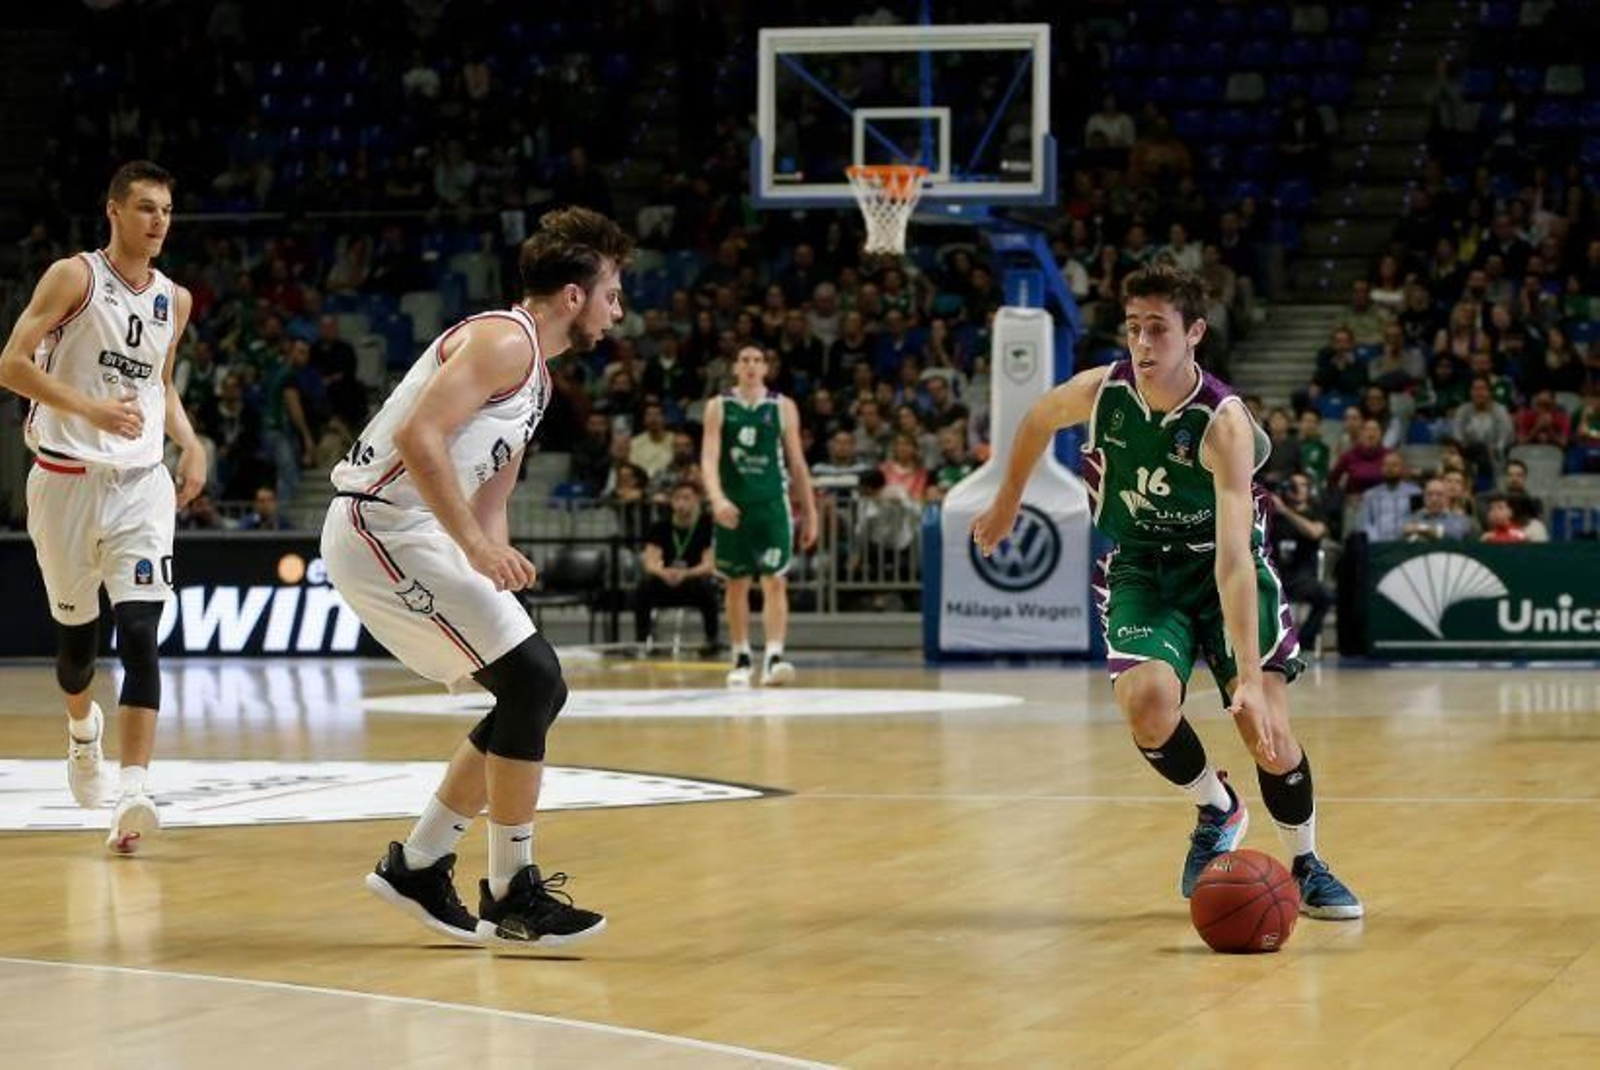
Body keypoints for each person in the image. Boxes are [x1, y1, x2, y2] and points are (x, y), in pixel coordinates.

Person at [971, 264, 1361, 919]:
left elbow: (1234, 562)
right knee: (1147, 704)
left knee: (1262, 725)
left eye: (1158, 329)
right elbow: (1037, 418)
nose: (1143, 343)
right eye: (1133, 328)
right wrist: (1007, 499)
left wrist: (1245, 678)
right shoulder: (1103, 392)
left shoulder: (1222, 423)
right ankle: (1217, 807)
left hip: (1222, 565)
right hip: (1144, 565)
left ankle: (1307, 863)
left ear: (1194, 333)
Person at [321, 206, 630, 949]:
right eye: (613, 294)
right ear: (574, 296)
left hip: (420, 531)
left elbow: (493, 496)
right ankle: (510, 892)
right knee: (532, 681)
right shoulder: (503, 340)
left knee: (535, 687)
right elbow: (416, 435)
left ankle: (421, 863)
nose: (618, 311)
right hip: (380, 526)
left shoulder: (538, 380)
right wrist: (474, 549)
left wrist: (498, 566)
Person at [0, 161, 204, 854]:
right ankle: (82, 729)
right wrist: (87, 407)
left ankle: (134, 790)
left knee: (141, 631)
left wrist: (190, 443)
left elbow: (159, 387)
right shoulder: (73, 277)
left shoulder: (175, 299)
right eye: (146, 207)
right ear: (114, 210)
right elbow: (11, 364)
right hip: (63, 481)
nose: (158, 221)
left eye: (167, 210)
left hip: (140, 484)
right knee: (76, 654)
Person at [701, 346, 818, 688]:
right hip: (733, 506)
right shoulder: (718, 406)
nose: (751, 365)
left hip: (772, 505)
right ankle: (740, 656)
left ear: (766, 368)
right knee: (736, 583)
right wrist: (717, 498)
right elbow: (708, 458)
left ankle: (774, 657)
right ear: (735, 367)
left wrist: (810, 513)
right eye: (745, 360)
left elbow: (797, 463)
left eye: (757, 360)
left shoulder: (782, 406)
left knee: (775, 579)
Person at [635, 481, 719, 654]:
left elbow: (709, 564)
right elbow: (650, 562)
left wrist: (685, 574)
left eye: (687, 498)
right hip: (666, 580)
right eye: (677, 498)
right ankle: (642, 641)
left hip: (692, 580)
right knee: (643, 589)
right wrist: (663, 573)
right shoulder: (659, 527)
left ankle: (711, 640)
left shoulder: (706, 527)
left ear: (697, 500)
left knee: (708, 589)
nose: (681, 503)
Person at [1270, 473, 1334, 656]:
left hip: (1302, 578)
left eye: (1302, 485)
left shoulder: (1316, 513)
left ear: (1309, 490)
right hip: (1276, 577)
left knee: (1326, 596)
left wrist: (1286, 512)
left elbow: (1315, 532)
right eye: (1292, 485)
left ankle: (1301, 643)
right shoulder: (1274, 514)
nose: (1297, 489)